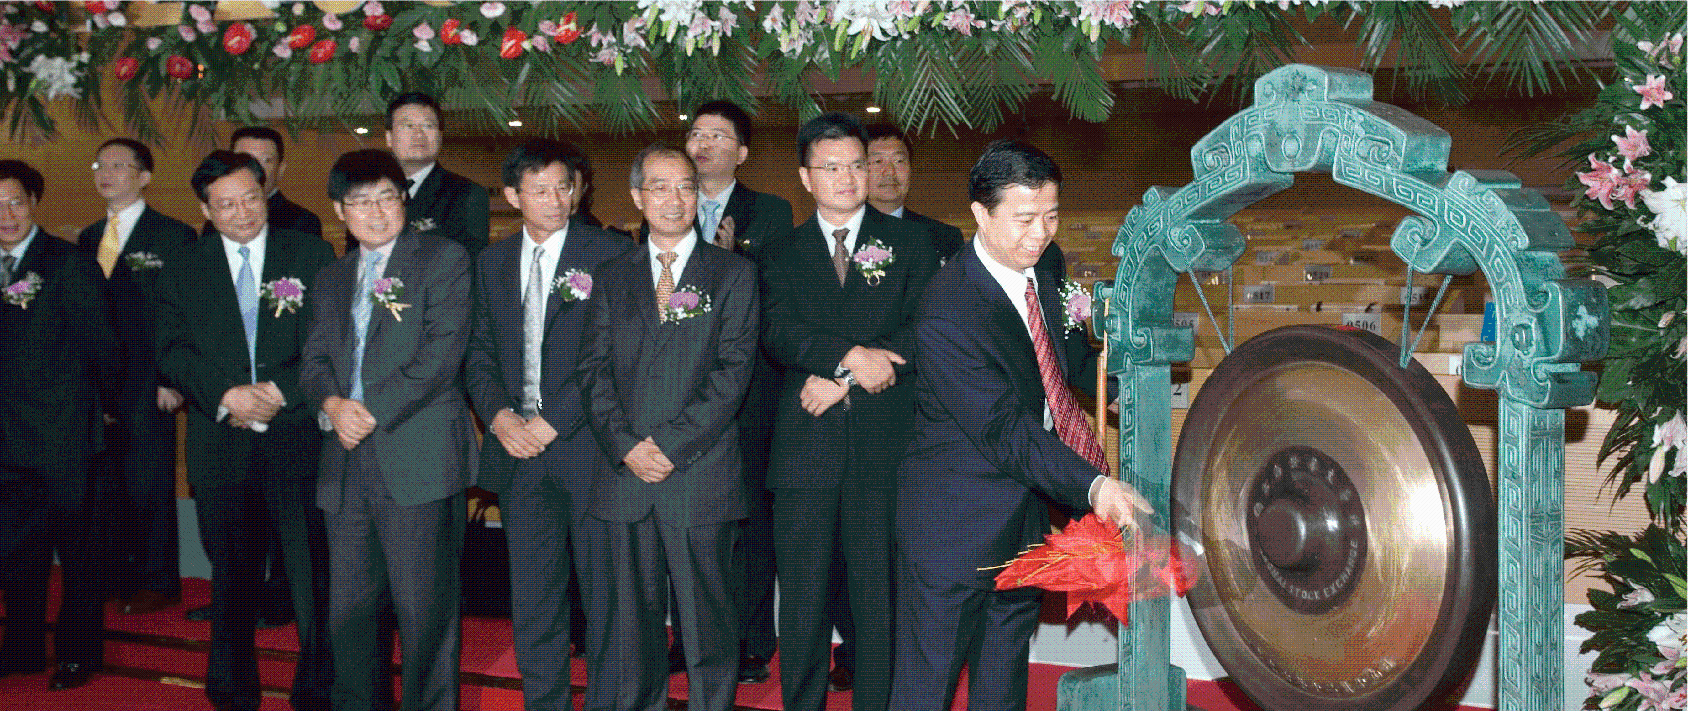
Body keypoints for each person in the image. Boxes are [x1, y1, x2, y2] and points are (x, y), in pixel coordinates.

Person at [889, 140, 1151, 711]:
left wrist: (1127, 386)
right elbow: (1003, 428)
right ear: (981, 215)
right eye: (1024, 219)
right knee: (925, 687)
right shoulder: (947, 308)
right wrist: (1092, 486)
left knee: (1003, 682)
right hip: (953, 526)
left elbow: (1058, 361)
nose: (1040, 234)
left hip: (1023, 517)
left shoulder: (1046, 268)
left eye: (1051, 216)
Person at [758, 112, 939, 711]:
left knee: (877, 600)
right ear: (805, 178)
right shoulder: (780, 252)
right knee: (803, 600)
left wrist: (848, 377)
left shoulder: (912, 243)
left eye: (856, 165)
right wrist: (847, 359)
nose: (846, 177)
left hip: (881, 449)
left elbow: (925, 331)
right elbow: (777, 330)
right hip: (805, 449)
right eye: (830, 167)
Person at [575, 144, 758, 711]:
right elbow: (592, 371)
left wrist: (670, 446)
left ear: (698, 194)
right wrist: (628, 447)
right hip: (626, 476)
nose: (673, 199)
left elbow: (732, 373)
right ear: (637, 197)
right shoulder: (612, 276)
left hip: (699, 474)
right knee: (631, 629)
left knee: (708, 625)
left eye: (685, 186)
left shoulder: (733, 273)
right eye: (658, 187)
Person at [153, 151, 335, 711]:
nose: (242, 212)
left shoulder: (309, 253)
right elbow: (170, 349)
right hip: (221, 442)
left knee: (312, 575)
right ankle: (232, 690)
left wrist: (278, 392)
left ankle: (319, 688)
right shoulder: (184, 264)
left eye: (251, 198)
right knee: (231, 576)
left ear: (266, 193)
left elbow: (329, 339)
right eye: (226, 204)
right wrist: (227, 395)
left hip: (296, 438)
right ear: (205, 209)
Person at [300, 148, 474, 711]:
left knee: (425, 612)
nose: (376, 212)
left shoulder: (442, 259)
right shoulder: (330, 277)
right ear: (339, 210)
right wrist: (332, 403)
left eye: (387, 198)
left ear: (405, 200)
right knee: (348, 611)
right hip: (345, 461)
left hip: (417, 455)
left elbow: (442, 353)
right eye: (360, 202)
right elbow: (313, 361)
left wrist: (366, 409)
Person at [464, 138, 630, 711]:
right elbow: (478, 353)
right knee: (535, 600)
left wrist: (554, 421)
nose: (557, 200)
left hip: (588, 450)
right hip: (519, 455)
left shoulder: (611, 253)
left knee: (605, 600)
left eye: (565, 187)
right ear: (513, 196)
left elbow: (614, 355)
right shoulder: (490, 262)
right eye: (540, 191)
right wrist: (499, 416)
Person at [684, 98, 794, 683]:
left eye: (718, 135)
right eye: (696, 134)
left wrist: (728, 262)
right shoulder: (668, 204)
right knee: (687, 520)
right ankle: (691, 638)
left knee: (748, 522)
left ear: (742, 152)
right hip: (679, 392)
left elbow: (775, 294)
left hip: (749, 395)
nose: (703, 144)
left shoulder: (770, 213)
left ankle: (751, 642)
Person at [0, 160, 118, 692]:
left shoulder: (70, 264)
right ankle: (21, 648)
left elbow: (103, 350)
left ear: (34, 203)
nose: (6, 215)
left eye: (15, 202)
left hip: (64, 437)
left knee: (78, 555)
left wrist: (96, 416)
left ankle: (78, 654)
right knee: (15, 553)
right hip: (5, 441)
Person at [77, 138, 197, 617]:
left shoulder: (173, 235)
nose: (106, 173)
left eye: (118, 165)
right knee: (107, 482)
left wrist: (174, 379)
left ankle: (157, 580)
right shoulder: (88, 237)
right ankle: (117, 575)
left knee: (149, 481)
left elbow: (182, 314)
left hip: (150, 379)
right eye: (100, 165)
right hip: (99, 381)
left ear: (145, 177)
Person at [377, 92, 490, 257]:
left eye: (428, 126)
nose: (418, 134)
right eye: (408, 126)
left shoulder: (467, 194)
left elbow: (468, 262)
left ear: (440, 136)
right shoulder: (366, 194)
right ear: (389, 137)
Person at [864, 123, 965, 264]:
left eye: (899, 161)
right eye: (877, 161)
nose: (890, 171)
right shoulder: (841, 235)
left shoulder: (945, 237)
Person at [231, 125, 324, 238]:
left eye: (265, 160)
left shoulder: (302, 222)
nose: (255, 168)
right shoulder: (216, 219)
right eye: (244, 160)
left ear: (280, 169)